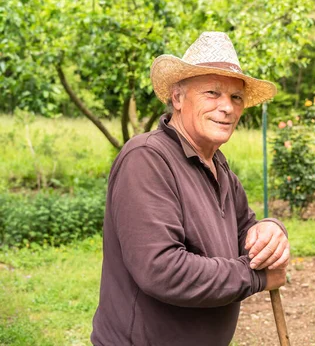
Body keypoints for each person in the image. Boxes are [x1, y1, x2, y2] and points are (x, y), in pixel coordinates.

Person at [91, 32, 289, 346]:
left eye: (236, 98)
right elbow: (163, 270)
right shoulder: (147, 160)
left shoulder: (218, 167)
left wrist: (271, 230)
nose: (227, 107)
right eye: (213, 93)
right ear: (178, 98)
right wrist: (257, 277)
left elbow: (245, 233)